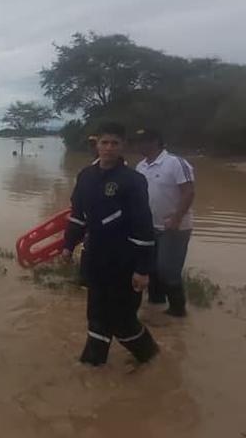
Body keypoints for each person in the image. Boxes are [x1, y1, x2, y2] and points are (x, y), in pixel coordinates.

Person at [62, 123, 159, 366]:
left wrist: (143, 269)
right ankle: (93, 363)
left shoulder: (133, 180)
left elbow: (143, 226)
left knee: (122, 319)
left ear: (122, 146)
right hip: (94, 257)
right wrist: (67, 245)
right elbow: (77, 215)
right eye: (104, 142)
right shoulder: (85, 176)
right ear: (96, 144)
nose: (108, 148)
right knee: (96, 313)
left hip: (124, 260)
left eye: (114, 143)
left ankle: (151, 358)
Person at [134, 128, 195, 317]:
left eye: (141, 141)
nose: (138, 145)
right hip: (149, 226)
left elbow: (189, 192)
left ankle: (178, 310)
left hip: (174, 227)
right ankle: (156, 303)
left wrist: (177, 217)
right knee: (151, 268)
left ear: (155, 142)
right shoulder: (140, 166)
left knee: (167, 270)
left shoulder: (176, 163)